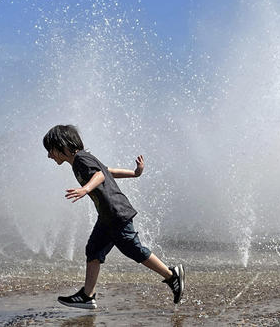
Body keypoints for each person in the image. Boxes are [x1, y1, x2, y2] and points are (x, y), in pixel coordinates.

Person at [43, 124, 184, 309]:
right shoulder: (83, 160)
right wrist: (134, 173)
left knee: (132, 248)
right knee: (93, 250)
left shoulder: (80, 159)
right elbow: (107, 171)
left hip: (116, 213)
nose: (49, 155)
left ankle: (172, 276)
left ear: (62, 144)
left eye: (50, 150)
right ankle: (87, 295)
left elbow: (100, 175)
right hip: (107, 216)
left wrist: (85, 189)